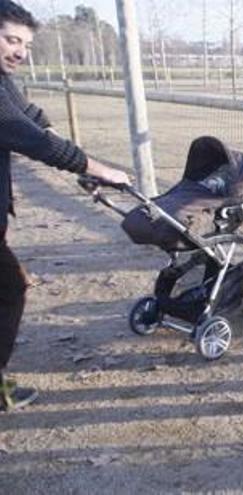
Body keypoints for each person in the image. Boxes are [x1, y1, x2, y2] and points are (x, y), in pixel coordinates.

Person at [0, 0, 130, 412]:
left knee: (8, 289)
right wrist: (99, 168)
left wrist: (75, 160)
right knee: (9, 290)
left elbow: (31, 117)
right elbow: (26, 135)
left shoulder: (3, 80)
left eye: (25, 43)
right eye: (9, 39)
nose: (19, 51)